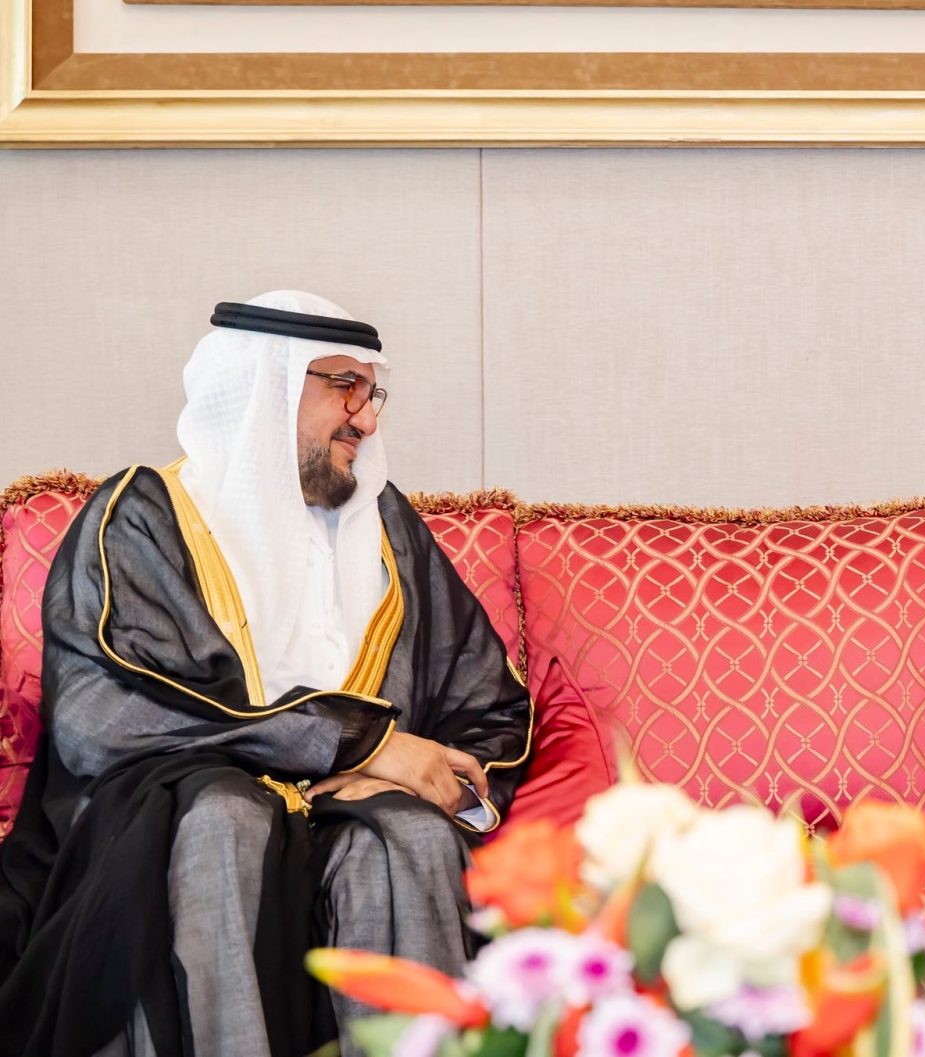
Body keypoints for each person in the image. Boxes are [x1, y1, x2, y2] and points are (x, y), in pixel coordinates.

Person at [0, 291, 533, 1057]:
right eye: (343, 386)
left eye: (373, 392)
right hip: (183, 824)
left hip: (349, 827)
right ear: (266, 385)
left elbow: (490, 706)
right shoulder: (143, 515)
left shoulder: (386, 530)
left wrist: (413, 780)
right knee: (225, 815)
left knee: (409, 835)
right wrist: (359, 745)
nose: (366, 419)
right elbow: (102, 717)